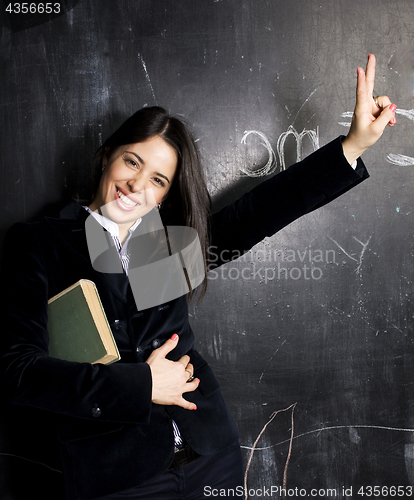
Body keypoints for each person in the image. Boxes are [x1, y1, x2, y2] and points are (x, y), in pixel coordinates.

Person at [0, 54, 396, 500]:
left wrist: (354, 145)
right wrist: (143, 385)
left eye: (158, 180)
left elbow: (256, 214)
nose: (137, 186)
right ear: (108, 154)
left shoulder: (164, 246)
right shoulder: (41, 243)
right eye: (132, 162)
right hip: (119, 475)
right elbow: (17, 371)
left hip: (211, 455)